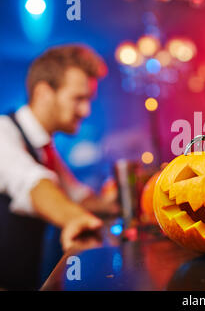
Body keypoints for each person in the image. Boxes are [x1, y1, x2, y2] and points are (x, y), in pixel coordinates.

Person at [0, 45, 119, 290]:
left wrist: (111, 201)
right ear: (44, 92)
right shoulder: (3, 131)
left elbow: (75, 195)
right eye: (78, 98)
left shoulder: (46, 148)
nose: (86, 110)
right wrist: (75, 218)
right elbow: (32, 183)